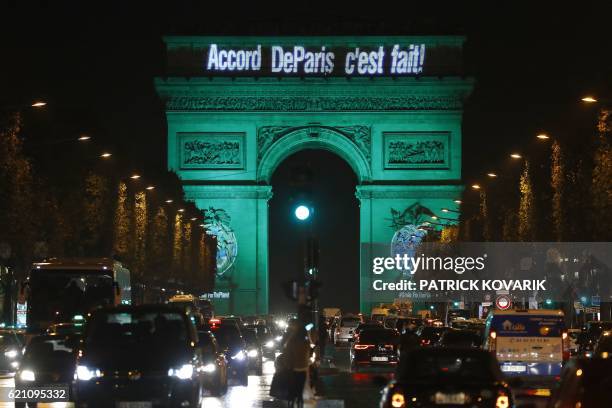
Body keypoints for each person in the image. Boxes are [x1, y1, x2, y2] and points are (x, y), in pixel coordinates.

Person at [283, 323, 311, 408]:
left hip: (293, 368)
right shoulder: (306, 342)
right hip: (303, 368)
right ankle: (300, 400)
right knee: (300, 386)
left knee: (293, 386)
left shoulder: (291, 341)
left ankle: (292, 400)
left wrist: (287, 364)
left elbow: (287, 354)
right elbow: (308, 353)